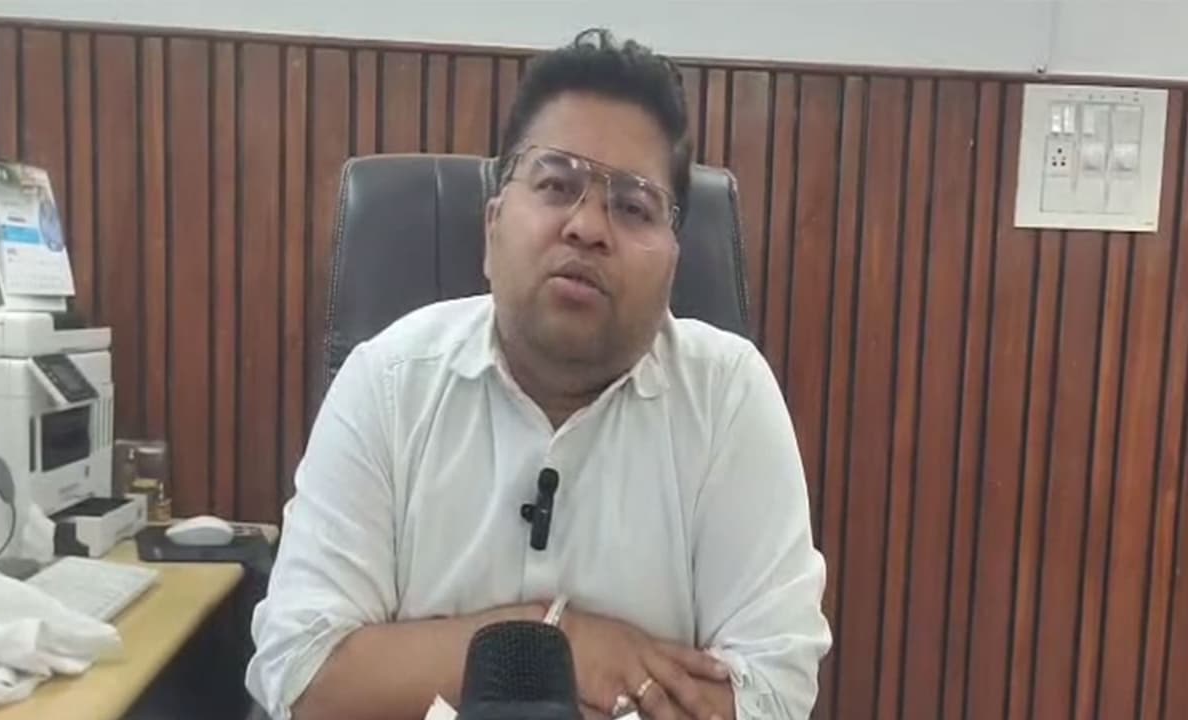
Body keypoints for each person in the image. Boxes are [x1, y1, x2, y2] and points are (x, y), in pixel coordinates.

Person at [246, 28, 831, 720]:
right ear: (493, 225)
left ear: (673, 263)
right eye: (557, 185)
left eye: (633, 205)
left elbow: (772, 695)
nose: (587, 227)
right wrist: (555, 641)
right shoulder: (388, 382)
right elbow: (302, 675)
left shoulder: (729, 399)